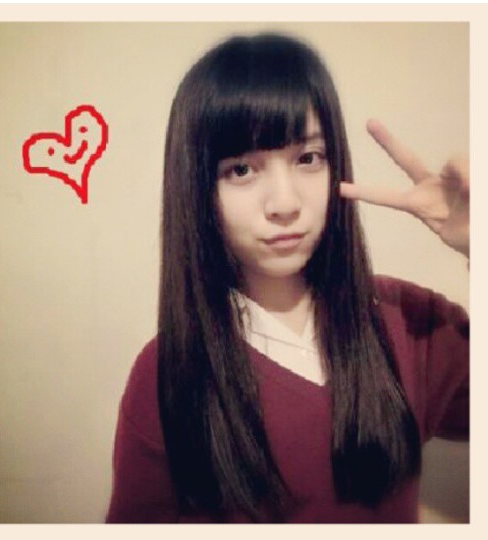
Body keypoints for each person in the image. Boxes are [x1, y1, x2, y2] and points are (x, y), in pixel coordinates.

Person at [106, 33, 469, 523]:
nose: (285, 203)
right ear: (198, 187)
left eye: (307, 159)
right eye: (241, 169)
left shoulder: (408, 321)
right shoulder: (166, 375)